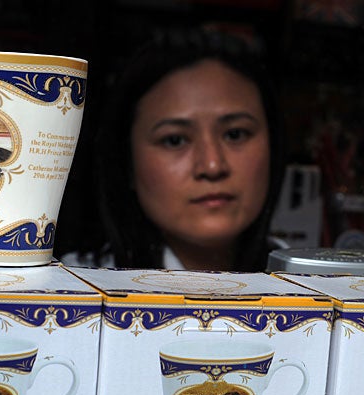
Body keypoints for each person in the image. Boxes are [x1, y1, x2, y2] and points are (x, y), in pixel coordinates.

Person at [63, 28, 286, 271]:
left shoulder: (311, 281)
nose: (212, 166)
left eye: (235, 134)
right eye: (175, 140)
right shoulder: (76, 289)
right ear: (126, 161)